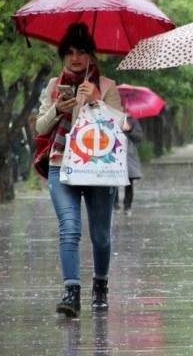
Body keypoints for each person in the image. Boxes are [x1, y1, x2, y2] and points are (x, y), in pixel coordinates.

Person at [35, 22, 123, 318]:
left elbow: (120, 127)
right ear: (63, 55)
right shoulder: (52, 86)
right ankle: (71, 292)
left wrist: (96, 101)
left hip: (99, 169)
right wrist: (58, 109)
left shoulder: (107, 86)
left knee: (100, 235)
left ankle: (100, 284)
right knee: (69, 229)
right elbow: (39, 127)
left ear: (91, 56)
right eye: (70, 52)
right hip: (62, 164)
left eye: (82, 52)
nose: (75, 58)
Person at [114, 112, 143, 216]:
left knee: (129, 181)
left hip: (128, 156)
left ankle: (127, 205)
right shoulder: (112, 118)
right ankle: (115, 204)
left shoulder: (133, 121)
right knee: (113, 180)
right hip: (114, 154)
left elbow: (139, 137)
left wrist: (129, 129)